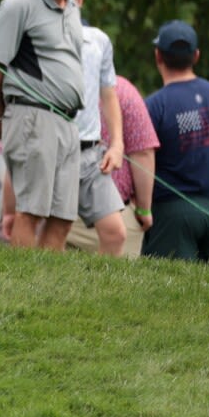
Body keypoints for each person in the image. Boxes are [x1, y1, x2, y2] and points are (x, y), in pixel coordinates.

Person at [0, 0, 88, 251]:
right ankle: (23, 284)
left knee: (64, 216)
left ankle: (47, 287)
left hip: (67, 122)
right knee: (32, 210)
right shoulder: (19, 3)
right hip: (32, 116)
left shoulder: (71, 7)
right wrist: (0, 114)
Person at [143, 21, 209, 263]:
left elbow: (142, 160)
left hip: (172, 214)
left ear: (158, 55)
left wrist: (142, 209)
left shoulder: (154, 106)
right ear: (196, 56)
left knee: (170, 293)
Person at [67, 73, 158, 259]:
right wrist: (144, 209)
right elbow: (143, 152)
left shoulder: (56, 85)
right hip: (116, 215)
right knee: (116, 285)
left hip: (63, 215)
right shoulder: (124, 90)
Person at [71, 17, 127, 255]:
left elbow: (109, 93)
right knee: (54, 230)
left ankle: (101, 288)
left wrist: (117, 145)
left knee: (116, 232)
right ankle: (42, 288)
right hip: (55, 147)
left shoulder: (98, 40)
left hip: (91, 152)